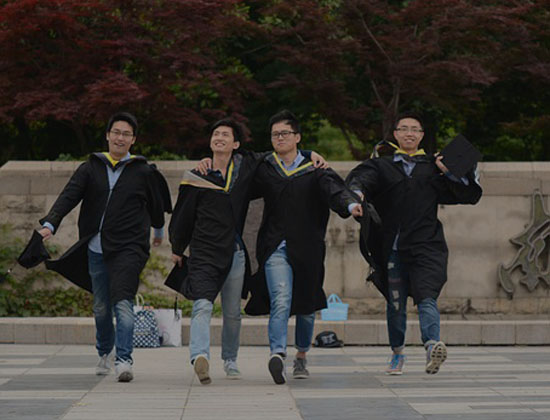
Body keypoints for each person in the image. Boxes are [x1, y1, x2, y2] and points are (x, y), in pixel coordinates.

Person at [167, 117, 328, 385]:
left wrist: (310, 154)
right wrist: (176, 247)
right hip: (204, 253)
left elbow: (280, 151)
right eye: (215, 134)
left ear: (236, 144)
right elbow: (182, 215)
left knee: (232, 313)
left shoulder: (245, 168)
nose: (219, 138)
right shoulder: (197, 176)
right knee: (202, 305)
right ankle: (199, 356)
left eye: (225, 135)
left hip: (234, 252)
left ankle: (230, 360)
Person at [346, 112, 482, 376]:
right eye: (404, 129)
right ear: (395, 134)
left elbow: (468, 194)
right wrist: (357, 195)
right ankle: (397, 353)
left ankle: (432, 345)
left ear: (421, 136)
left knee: (427, 296)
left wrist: (448, 172)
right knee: (395, 303)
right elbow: (359, 181)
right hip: (393, 248)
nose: (409, 133)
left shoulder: (433, 166)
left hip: (426, 246)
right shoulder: (381, 166)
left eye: (415, 129)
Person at [38, 112, 170, 382]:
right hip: (96, 247)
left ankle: (124, 360)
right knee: (101, 307)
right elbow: (68, 197)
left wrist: (158, 231)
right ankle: (104, 352)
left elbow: (157, 205)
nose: (120, 138)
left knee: (123, 303)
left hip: (129, 248)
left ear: (133, 139)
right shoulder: (91, 167)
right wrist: (50, 224)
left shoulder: (143, 171)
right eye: (116, 132)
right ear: (108, 135)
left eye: (126, 134)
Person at [244, 110, 361, 384]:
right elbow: (240, 167)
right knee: (281, 298)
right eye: (275, 134)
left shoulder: (315, 169)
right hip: (275, 245)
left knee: (307, 306)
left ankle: (301, 355)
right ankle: (277, 353)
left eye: (285, 133)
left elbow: (335, 190)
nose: (279, 138)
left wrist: (351, 205)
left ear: (297, 137)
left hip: (308, 247)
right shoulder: (265, 168)